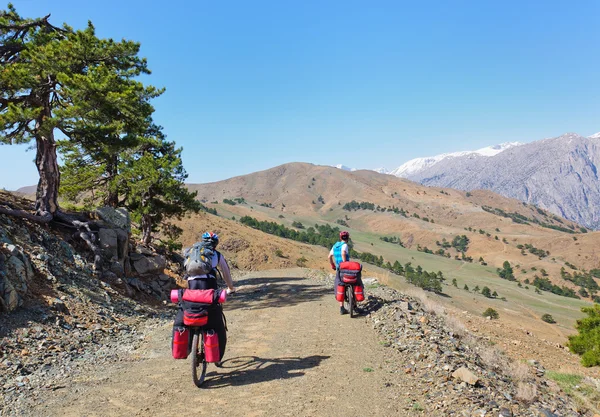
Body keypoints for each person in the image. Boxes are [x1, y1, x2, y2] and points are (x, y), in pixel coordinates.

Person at [174, 231, 235, 363]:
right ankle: (215, 355)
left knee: (186, 315)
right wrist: (230, 288)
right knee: (216, 323)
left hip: (191, 292)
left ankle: (187, 347)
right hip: (208, 291)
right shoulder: (217, 255)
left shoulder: (190, 252)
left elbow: (184, 271)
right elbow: (226, 273)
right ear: (215, 244)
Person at [329, 231, 363, 315]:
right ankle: (355, 306)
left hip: (338, 270)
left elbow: (329, 256)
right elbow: (343, 253)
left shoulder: (335, 246)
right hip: (346, 269)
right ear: (347, 238)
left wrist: (332, 265)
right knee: (355, 282)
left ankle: (341, 308)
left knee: (340, 285)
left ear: (340, 238)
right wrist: (345, 264)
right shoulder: (345, 245)